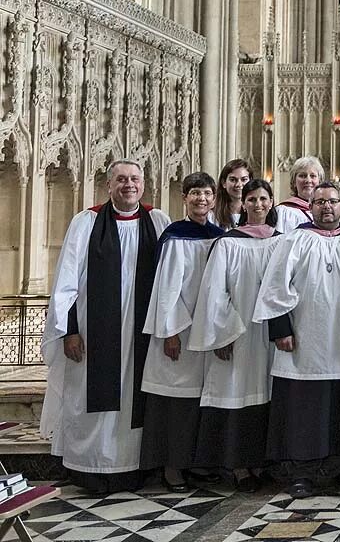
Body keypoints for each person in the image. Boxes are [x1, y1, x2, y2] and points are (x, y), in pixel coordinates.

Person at [41, 160, 170, 494]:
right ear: (109, 185)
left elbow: (171, 278)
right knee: (89, 396)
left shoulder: (157, 221)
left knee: (134, 398)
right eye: (121, 179)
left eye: (135, 179)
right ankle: (89, 470)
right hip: (92, 331)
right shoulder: (87, 222)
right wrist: (69, 329)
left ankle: (133, 470)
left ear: (144, 184)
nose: (129, 185)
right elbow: (66, 280)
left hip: (141, 333)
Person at [253, 181, 340, 498]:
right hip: (305, 340)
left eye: (332, 201)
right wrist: (280, 329)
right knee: (304, 409)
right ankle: (302, 472)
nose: (326, 207)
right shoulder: (295, 240)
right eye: (319, 202)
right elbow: (275, 286)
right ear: (311, 206)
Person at [190, 178, 282, 492]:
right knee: (238, 396)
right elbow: (215, 292)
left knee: (267, 398)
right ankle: (240, 468)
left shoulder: (282, 242)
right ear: (243, 204)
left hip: (271, 337)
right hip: (239, 336)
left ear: (272, 203)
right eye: (252, 199)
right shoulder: (228, 243)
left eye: (263, 199)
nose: (258, 205)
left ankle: (262, 464)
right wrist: (222, 334)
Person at [139, 173, 225, 491]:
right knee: (175, 402)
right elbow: (167, 288)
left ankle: (198, 464)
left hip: (208, 331)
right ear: (184, 198)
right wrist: (170, 331)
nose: (201, 199)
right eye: (195, 194)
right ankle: (172, 467)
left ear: (214, 198)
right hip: (180, 332)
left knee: (202, 401)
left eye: (206, 193)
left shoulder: (220, 236)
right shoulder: (176, 237)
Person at [275, 156, 325, 234]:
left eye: (313, 176)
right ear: (294, 182)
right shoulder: (283, 212)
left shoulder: (326, 211)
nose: (308, 180)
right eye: (302, 176)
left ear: (320, 181)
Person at [213, 158, 253, 230]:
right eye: (233, 180)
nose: (238, 184)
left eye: (244, 179)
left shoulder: (257, 212)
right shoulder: (212, 215)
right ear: (223, 183)